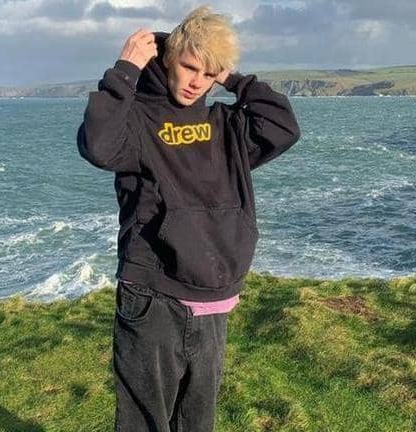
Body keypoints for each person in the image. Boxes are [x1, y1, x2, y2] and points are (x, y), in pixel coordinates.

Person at [76, 5, 300, 431]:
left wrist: (234, 79)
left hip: (214, 294)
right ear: (168, 60)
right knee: (145, 422)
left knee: (197, 420)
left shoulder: (225, 125)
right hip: (153, 293)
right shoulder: (137, 120)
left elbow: (283, 126)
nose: (198, 82)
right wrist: (125, 70)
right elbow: (98, 145)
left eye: (209, 73)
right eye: (190, 67)